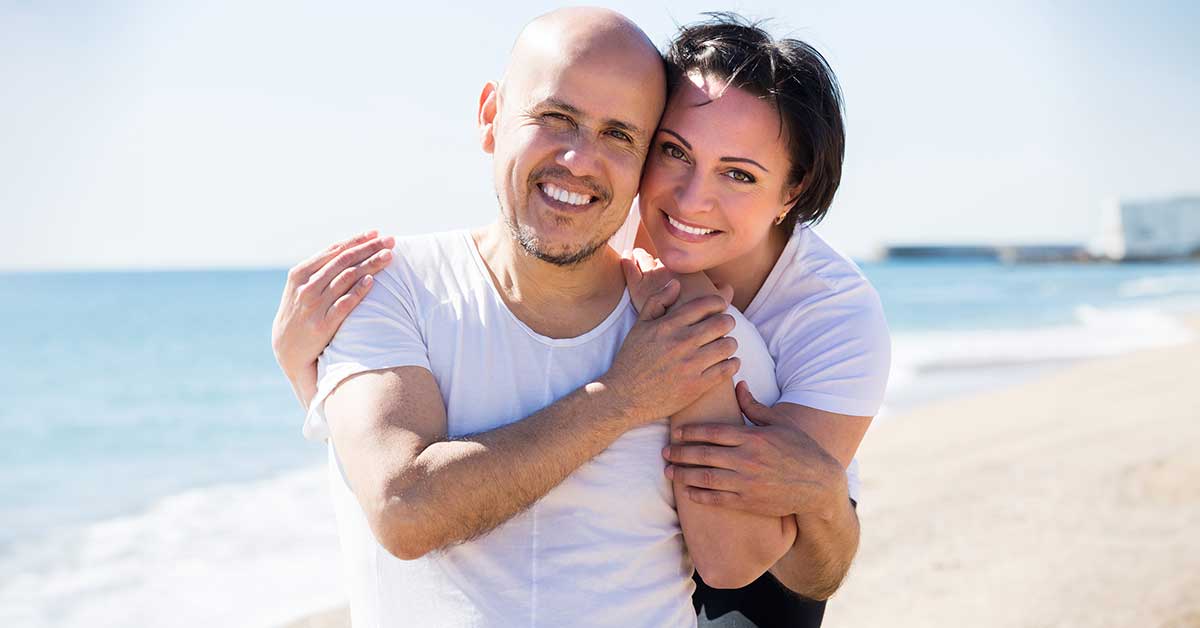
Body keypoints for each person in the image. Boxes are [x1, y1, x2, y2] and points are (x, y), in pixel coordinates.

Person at [272, 9, 888, 628]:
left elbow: (780, 565)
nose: (691, 199)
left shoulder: (810, 316)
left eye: (737, 173)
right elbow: (513, 256)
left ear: (791, 194)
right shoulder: (427, 274)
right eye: (675, 152)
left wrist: (824, 493)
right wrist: (319, 377)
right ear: (491, 117)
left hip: (788, 547)